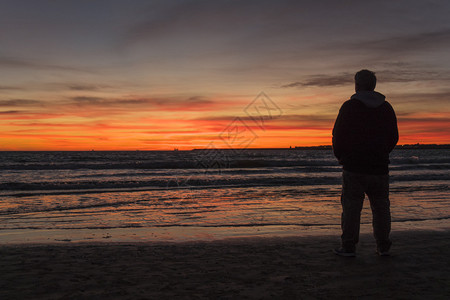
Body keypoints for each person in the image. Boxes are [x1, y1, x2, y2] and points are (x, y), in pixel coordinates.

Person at [332, 69, 399, 257]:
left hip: (354, 167)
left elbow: (338, 134)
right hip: (379, 167)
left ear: (357, 85)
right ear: (373, 85)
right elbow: (393, 136)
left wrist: (341, 156)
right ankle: (383, 246)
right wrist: (382, 152)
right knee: (381, 208)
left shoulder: (349, 107)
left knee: (352, 208)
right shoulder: (386, 108)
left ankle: (348, 246)